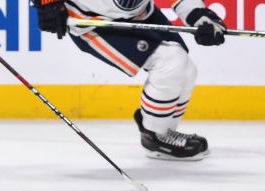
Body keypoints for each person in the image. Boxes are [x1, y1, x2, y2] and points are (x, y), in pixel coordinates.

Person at [34, 0, 226, 161]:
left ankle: (165, 132)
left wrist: (199, 15)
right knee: (171, 62)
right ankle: (155, 136)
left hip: (141, 12)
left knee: (186, 69)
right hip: (93, 21)